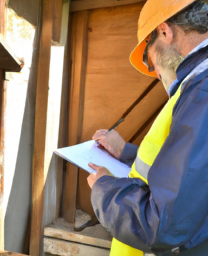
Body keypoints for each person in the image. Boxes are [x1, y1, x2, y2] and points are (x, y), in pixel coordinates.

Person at [87, 0, 208, 255]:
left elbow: (160, 225)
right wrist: (127, 152)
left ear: (165, 31)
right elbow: (190, 169)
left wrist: (104, 187)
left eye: (148, 58)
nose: (153, 72)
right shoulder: (196, 84)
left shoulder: (202, 91)